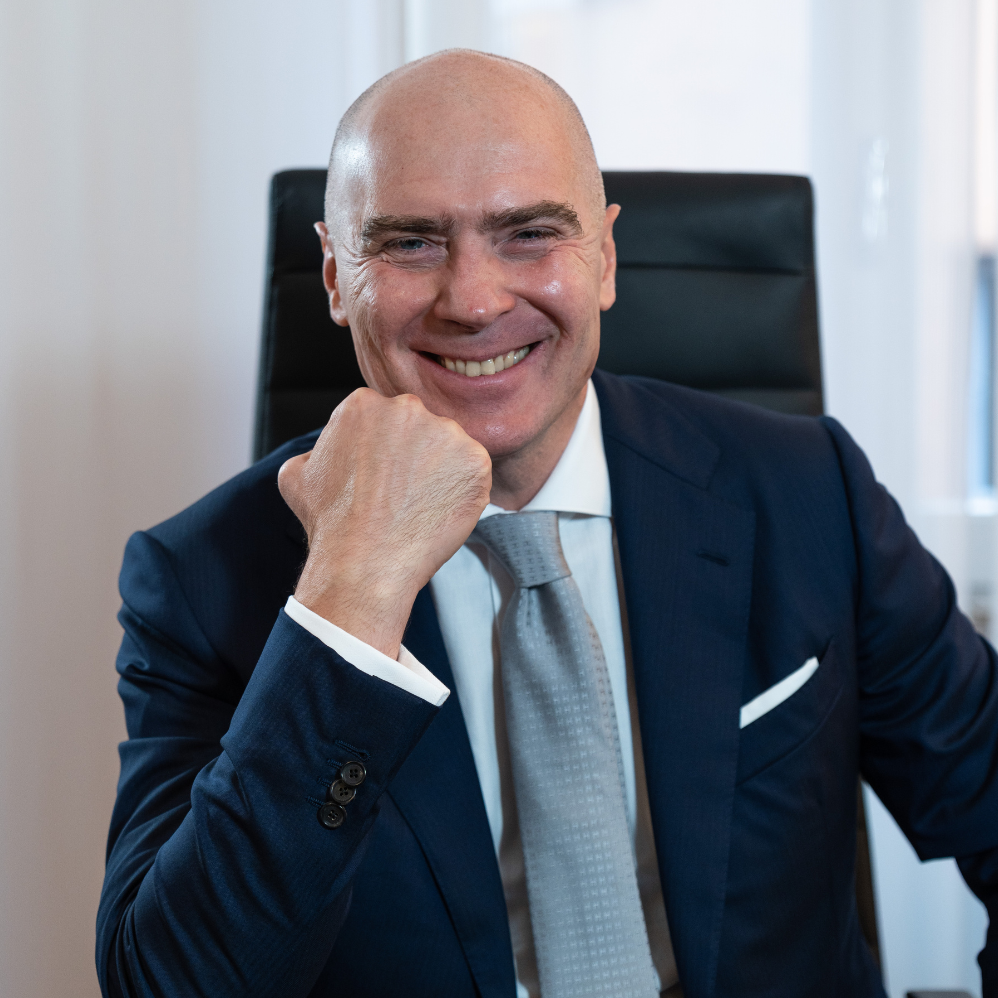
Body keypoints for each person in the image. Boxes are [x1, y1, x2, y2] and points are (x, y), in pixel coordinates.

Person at [96, 49, 998, 998]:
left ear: (604, 258)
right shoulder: (202, 578)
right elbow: (171, 984)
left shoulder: (808, 492)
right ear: (333, 274)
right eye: (411, 243)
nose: (475, 300)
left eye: (528, 234)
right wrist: (351, 595)